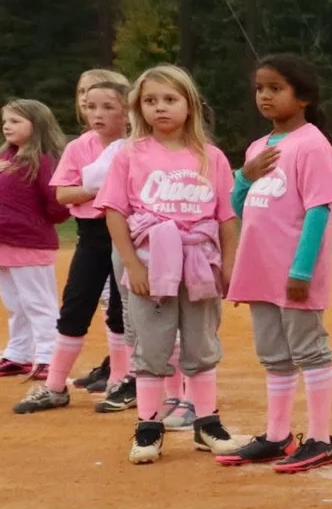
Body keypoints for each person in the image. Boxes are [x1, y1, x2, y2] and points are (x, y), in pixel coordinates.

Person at [98, 65, 242, 465]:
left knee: (201, 342)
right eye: (150, 100)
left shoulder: (208, 156)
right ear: (138, 108)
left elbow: (227, 217)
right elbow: (114, 212)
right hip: (151, 260)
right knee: (152, 345)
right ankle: (148, 425)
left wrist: (228, 265)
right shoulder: (130, 154)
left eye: (170, 99)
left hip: (199, 261)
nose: (160, 108)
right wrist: (133, 266)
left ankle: (207, 422)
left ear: (189, 105)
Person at [220, 55, 332, 472]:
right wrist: (244, 176)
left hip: (293, 270)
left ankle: (321, 438)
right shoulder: (258, 148)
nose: (265, 96)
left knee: (308, 349)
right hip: (260, 267)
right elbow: (238, 206)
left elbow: (319, 210)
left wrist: (301, 270)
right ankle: (277, 436)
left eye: (276, 88)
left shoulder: (312, 144)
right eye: (260, 88)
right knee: (273, 352)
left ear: (303, 96)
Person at [23, 70, 131, 413]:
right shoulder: (78, 147)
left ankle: (118, 380)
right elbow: (63, 195)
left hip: (127, 234)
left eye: (107, 107)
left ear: (128, 111)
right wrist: (96, 188)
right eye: (90, 107)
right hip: (91, 236)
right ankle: (54, 386)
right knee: (75, 306)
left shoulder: (138, 146)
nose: (96, 114)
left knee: (120, 311)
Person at [0, 99, 69, 386]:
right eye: (5, 121)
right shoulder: (4, 159)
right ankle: (18, 355)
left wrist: (36, 223)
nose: (7, 126)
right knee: (15, 303)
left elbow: (57, 205)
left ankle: (49, 357)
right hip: (0, 241)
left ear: (36, 126)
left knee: (38, 302)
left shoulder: (43, 161)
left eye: (15, 121)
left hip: (29, 243)